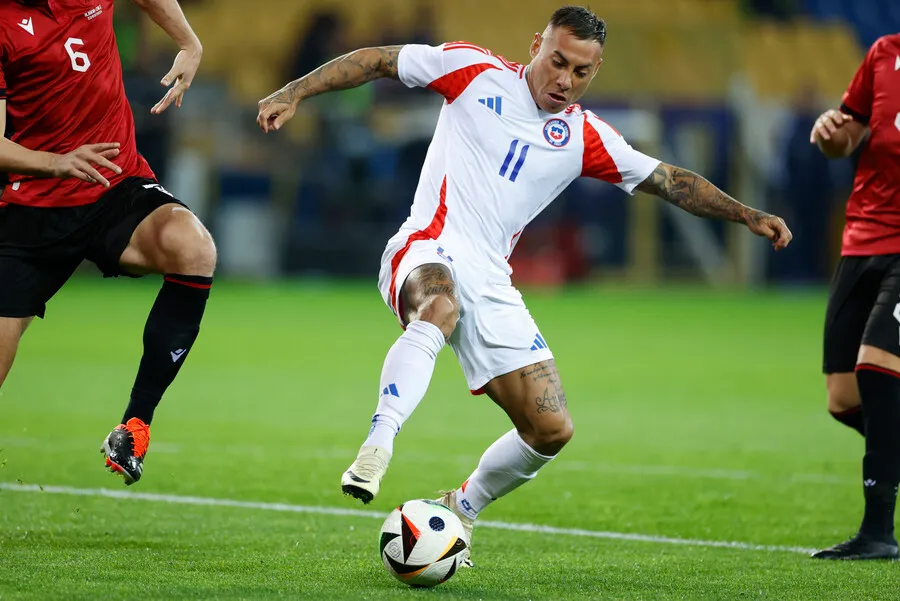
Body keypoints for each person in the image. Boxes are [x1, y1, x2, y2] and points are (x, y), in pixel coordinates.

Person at [258, 5, 791, 565]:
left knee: (551, 428)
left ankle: (459, 509)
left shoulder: (583, 135)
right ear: (537, 44)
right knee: (439, 306)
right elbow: (379, 61)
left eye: (582, 72)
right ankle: (379, 442)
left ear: (595, 71)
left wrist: (745, 214)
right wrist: (296, 91)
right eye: (558, 61)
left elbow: (667, 180)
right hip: (428, 245)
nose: (565, 80)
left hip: (492, 278)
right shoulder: (472, 70)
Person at [0, 0, 215, 486]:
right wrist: (55, 162)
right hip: (34, 207)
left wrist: (188, 41)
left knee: (194, 247)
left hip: (114, 184)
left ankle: (135, 425)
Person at [810, 32, 900, 560]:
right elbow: (847, 137)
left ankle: (878, 533)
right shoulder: (884, 53)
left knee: (877, 367)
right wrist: (829, 135)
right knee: (843, 397)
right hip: (861, 239)